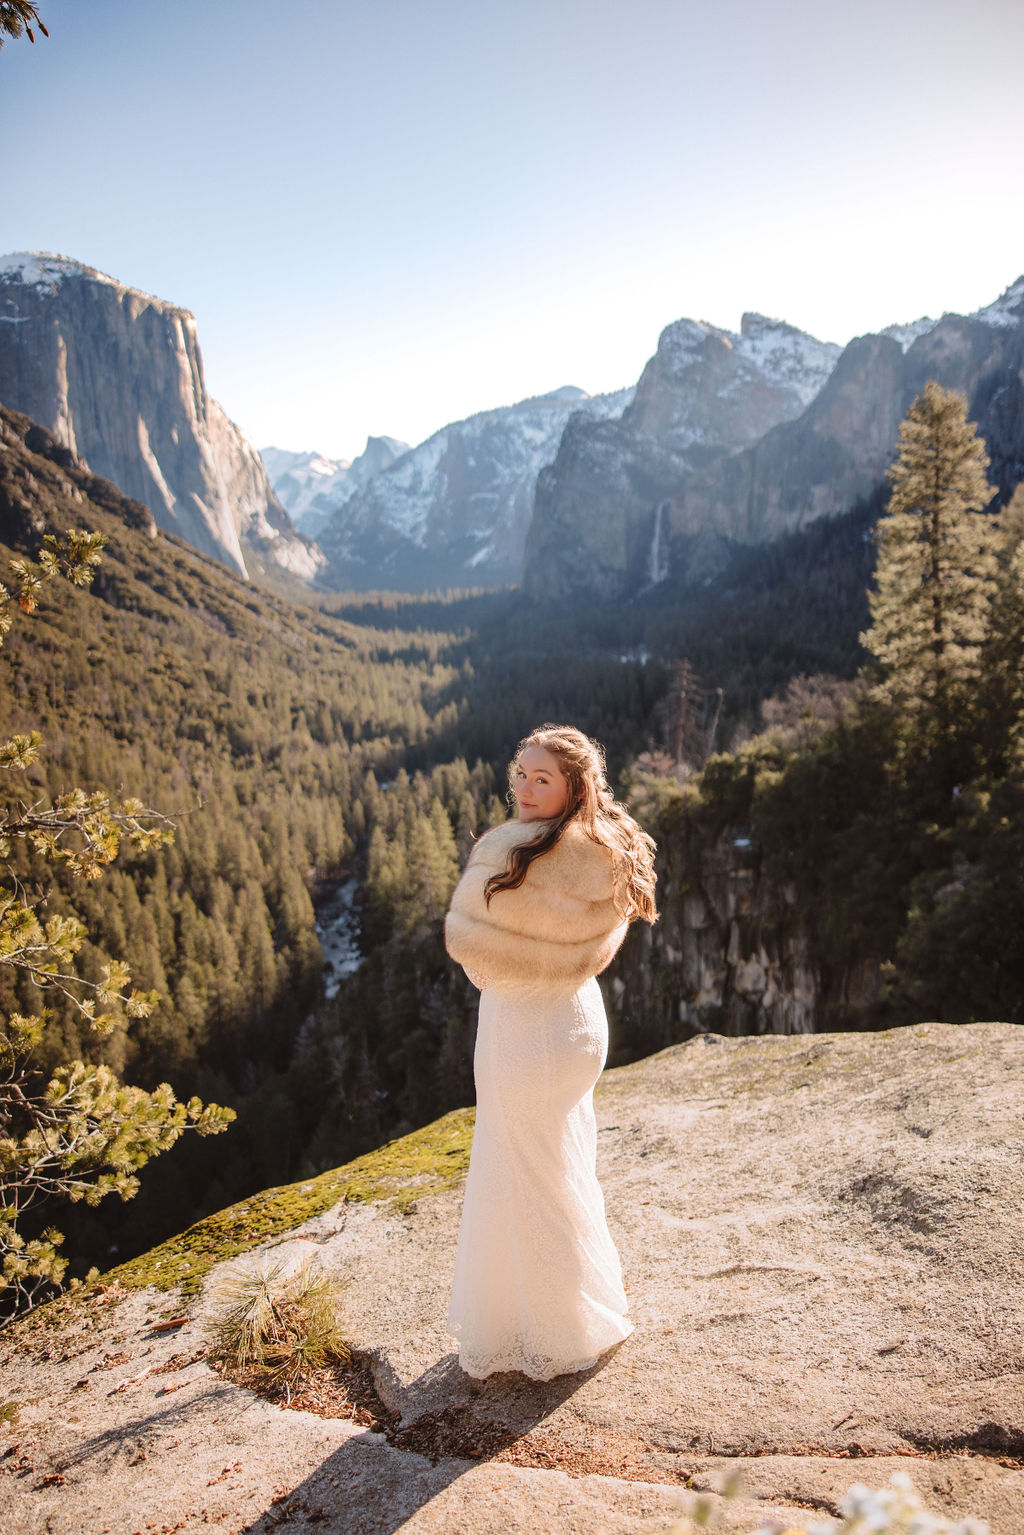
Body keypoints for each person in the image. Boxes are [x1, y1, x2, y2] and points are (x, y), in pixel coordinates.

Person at [444, 723, 658, 1381]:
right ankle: (572, 1310)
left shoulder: (514, 850)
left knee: (523, 1169)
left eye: (543, 778)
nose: (527, 788)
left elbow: (482, 959)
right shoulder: (605, 845)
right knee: (562, 1160)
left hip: (524, 1026)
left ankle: (555, 1331)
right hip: (577, 1020)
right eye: (522, 774)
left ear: (573, 786)